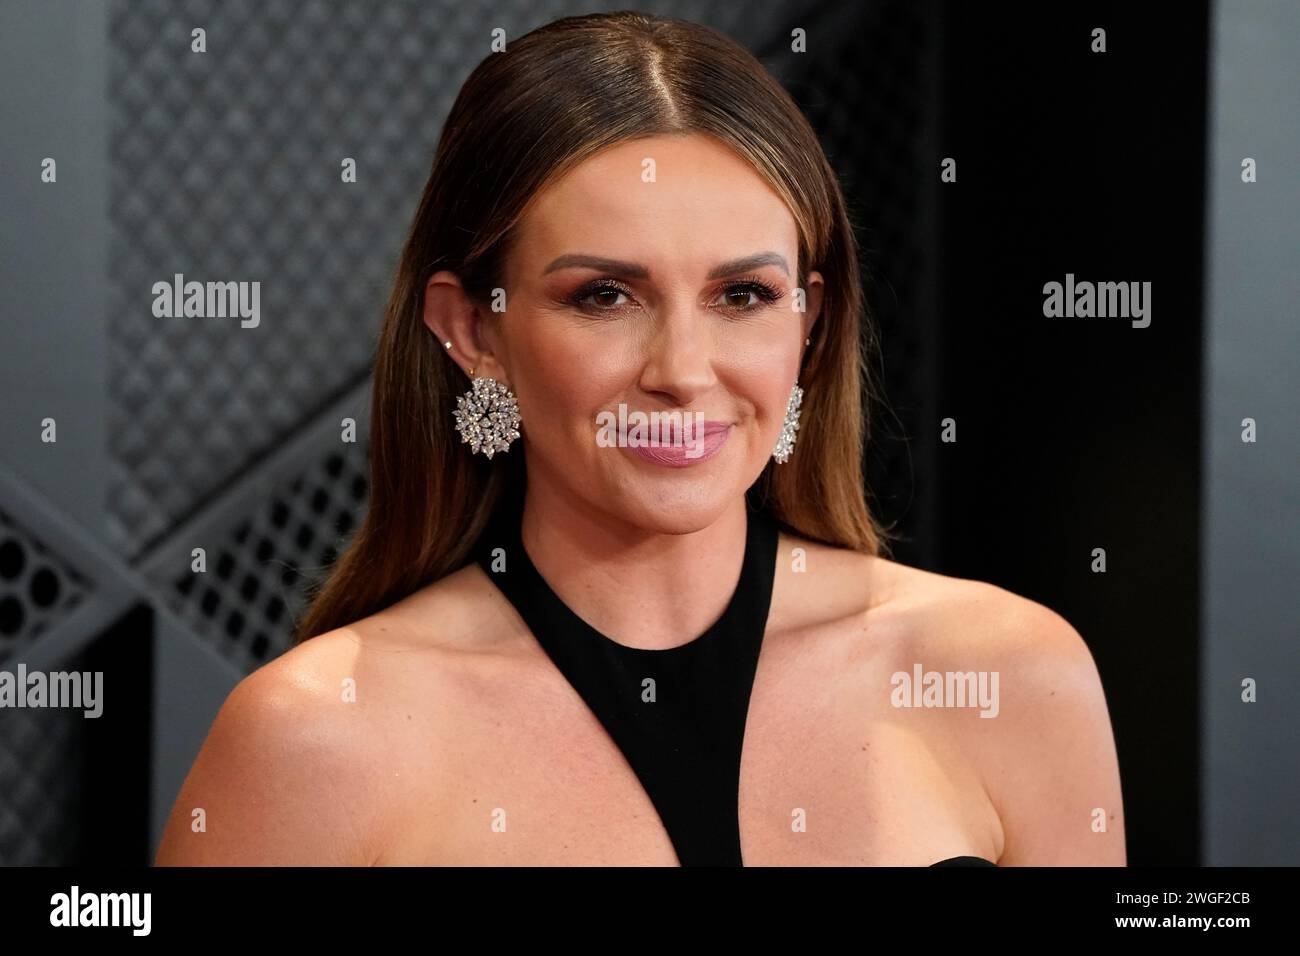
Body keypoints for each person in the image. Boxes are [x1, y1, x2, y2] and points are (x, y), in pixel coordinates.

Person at [155, 11, 1125, 867]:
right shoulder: (318, 734)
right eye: (604, 296)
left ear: (810, 322)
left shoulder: (1010, 672)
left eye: (741, 295)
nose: (684, 367)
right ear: (473, 330)